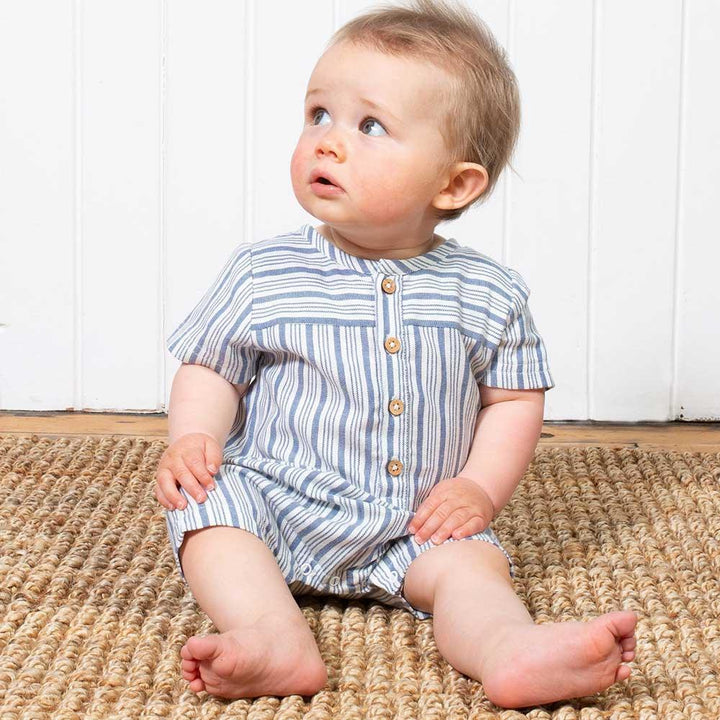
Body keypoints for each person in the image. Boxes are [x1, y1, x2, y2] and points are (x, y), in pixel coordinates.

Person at [154, 0, 637, 707]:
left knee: (472, 569)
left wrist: (477, 489)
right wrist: (194, 438)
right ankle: (271, 634)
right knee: (208, 508)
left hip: (415, 523)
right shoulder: (263, 272)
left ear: (454, 184)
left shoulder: (487, 292)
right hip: (276, 502)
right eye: (318, 114)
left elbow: (513, 401)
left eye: (369, 126)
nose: (328, 142)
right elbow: (210, 366)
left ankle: (509, 648)